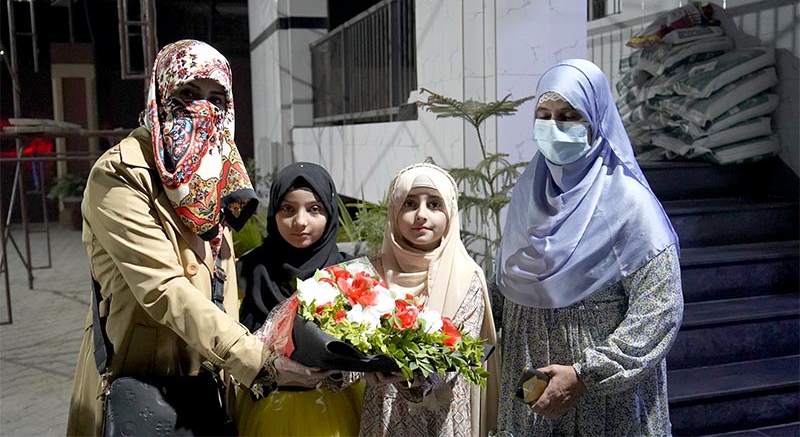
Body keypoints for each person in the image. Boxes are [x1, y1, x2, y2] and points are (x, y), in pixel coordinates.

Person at [66, 39, 324, 437]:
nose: (203, 109)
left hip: (206, 388)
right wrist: (257, 361)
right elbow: (163, 289)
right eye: (188, 93)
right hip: (138, 386)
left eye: (216, 99)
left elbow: (224, 287)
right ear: (161, 93)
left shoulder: (216, 175)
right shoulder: (120, 174)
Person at [492, 59, 683, 436]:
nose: (553, 127)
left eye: (568, 116)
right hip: (531, 385)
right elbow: (505, 285)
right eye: (544, 116)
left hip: (605, 399)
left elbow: (660, 309)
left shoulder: (628, 204)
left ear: (596, 121)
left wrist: (586, 374)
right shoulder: (529, 195)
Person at [359, 163, 499, 437]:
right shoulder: (370, 273)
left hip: (442, 415)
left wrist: (414, 380)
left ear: (450, 213)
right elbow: (354, 345)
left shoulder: (466, 277)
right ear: (394, 211)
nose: (421, 215)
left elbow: (461, 353)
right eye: (409, 204)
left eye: (434, 204)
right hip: (384, 414)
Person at [235, 161, 364, 436]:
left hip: (333, 407)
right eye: (288, 209)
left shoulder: (349, 273)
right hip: (266, 407)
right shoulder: (250, 269)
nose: (300, 221)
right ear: (273, 212)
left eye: (314, 209)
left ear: (330, 212)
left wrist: (336, 370)